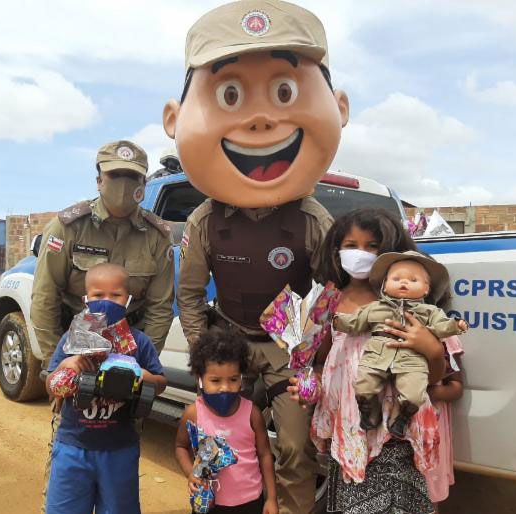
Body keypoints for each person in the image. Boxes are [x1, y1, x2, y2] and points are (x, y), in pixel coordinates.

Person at [165, 2, 349, 511]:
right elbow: (189, 293)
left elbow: (333, 295)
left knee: (294, 445)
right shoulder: (206, 220)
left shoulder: (312, 220)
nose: (262, 119)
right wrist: (208, 356)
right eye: (231, 95)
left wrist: (310, 359)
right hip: (230, 343)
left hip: (287, 350)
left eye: (284, 92)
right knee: (221, 440)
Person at [288, 208, 452, 514]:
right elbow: (320, 362)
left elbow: (434, 375)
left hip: (397, 429)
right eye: (350, 245)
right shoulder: (327, 301)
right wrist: (309, 386)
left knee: (400, 502)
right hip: (350, 425)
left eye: (372, 246)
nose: (360, 254)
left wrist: (428, 346)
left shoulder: (408, 304)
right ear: (335, 250)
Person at [31, 139, 174, 360]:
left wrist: (142, 363)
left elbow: (160, 308)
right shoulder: (68, 227)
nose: (124, 184)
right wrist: (56, 361)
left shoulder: (157, 236)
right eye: (115, 175)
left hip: (130, 345)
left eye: (133, 176)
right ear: (99, 181)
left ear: (143, 183)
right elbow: (44, 298)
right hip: (73, 343)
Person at [44, 263, 167, 514]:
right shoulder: (72, 340)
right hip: (73, 446)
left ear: (129, 299)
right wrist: (69, 365)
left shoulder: (139, 342)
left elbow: (161, 383)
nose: (107, 301)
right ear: (85, 299)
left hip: (120, 449)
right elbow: (50, 385)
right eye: (98, 295)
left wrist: (144, 376)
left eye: (116, 295)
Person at [334, 251, 468, 437]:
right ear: (385, 286)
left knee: (414, 394)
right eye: (396, 278)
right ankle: (370, 409)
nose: (404, 282)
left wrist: (456, 325)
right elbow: (353, 322)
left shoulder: (430, 312)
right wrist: (336, 321)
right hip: (377, 355)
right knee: (363, 386)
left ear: (426, 289)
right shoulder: (374, 308)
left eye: (413, 280)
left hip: (412, 360)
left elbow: (442, 326)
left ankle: (401, 414)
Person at [175, 327, 279, 514]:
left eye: (233, 379)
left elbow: (264, 455)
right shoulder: (193, 414)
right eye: (215, 381)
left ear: (241, 378)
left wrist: (271, 498)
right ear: (200, 379)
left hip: (250, 502)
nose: (225, 388)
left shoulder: (252, 413)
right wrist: (190, 473)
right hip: (210, 503)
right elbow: (181, 447)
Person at [424, 336, 465, 512]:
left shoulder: (442, 337)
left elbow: (455, 387)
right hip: (394, 438)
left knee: (427, 497)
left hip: (429, 439)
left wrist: (427, 392)